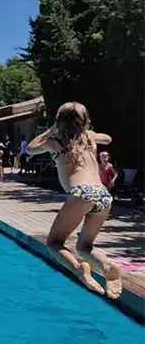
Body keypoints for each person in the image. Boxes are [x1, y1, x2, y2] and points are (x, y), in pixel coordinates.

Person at [26, 102, 122, 299]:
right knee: (84, 246)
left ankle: (79, 268)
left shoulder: (54, 140)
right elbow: (109, 138)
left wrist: (50, 130)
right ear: (85, 121)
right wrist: (88, 132)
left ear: (58, 121)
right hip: (103, 195)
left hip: (81, 193)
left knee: (54, 243)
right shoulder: (90, 137)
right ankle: (106, 265)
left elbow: (29, 149)